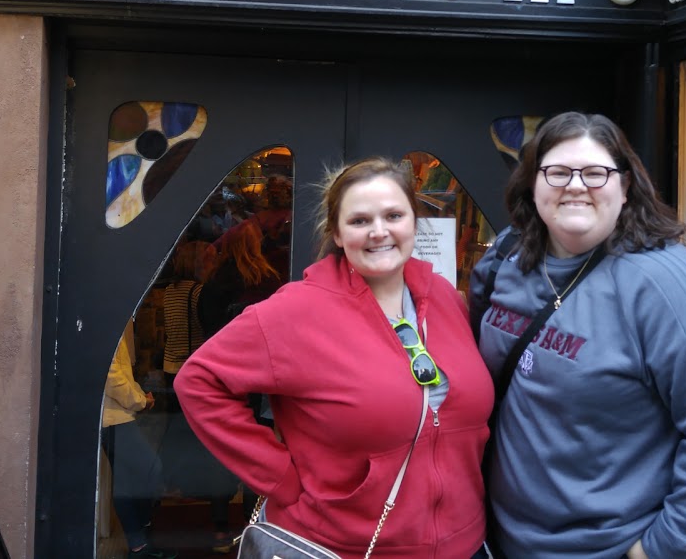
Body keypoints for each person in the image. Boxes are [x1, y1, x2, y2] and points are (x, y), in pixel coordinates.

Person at [468, 112, 686, 559]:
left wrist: (661, 548)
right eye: (557, 172)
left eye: (595, 173)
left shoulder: (669, 283)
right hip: (505, 542)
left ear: (625, 187)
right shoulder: (508, 258)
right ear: (533, 183)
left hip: (616, 547)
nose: (575, 185)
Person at [176, 158, 493, 559]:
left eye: (394, 215)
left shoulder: (447, 299)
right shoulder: (298, 311)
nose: (379, 231)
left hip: (464, 544)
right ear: (338, 234)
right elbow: (199, 381)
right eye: (360, 221)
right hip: (340, 546)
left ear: (414, 222)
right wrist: (281, 478)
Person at [102, 319, 174, 558]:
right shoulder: (108, 321)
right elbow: (112, 377)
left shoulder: (112, 320)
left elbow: (120, 374)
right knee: (149, 469)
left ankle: (139, 543)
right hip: (114, 417)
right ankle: (140, 539)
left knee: (129, 479)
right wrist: (140, 401)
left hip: (114, 415)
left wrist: (140, 396)